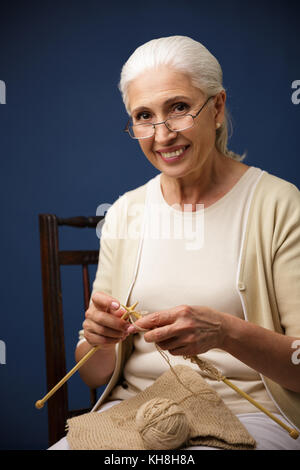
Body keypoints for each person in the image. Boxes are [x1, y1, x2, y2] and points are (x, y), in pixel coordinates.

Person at [49, 35, 300, 450]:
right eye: (144, 116)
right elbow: (94, 376)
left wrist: (225, 332)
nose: (162, 134)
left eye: (179, 108)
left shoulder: (278, 205)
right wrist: (98, 340)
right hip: (135, 414)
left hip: (254, 416)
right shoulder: (126, 212)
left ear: (217, 107)